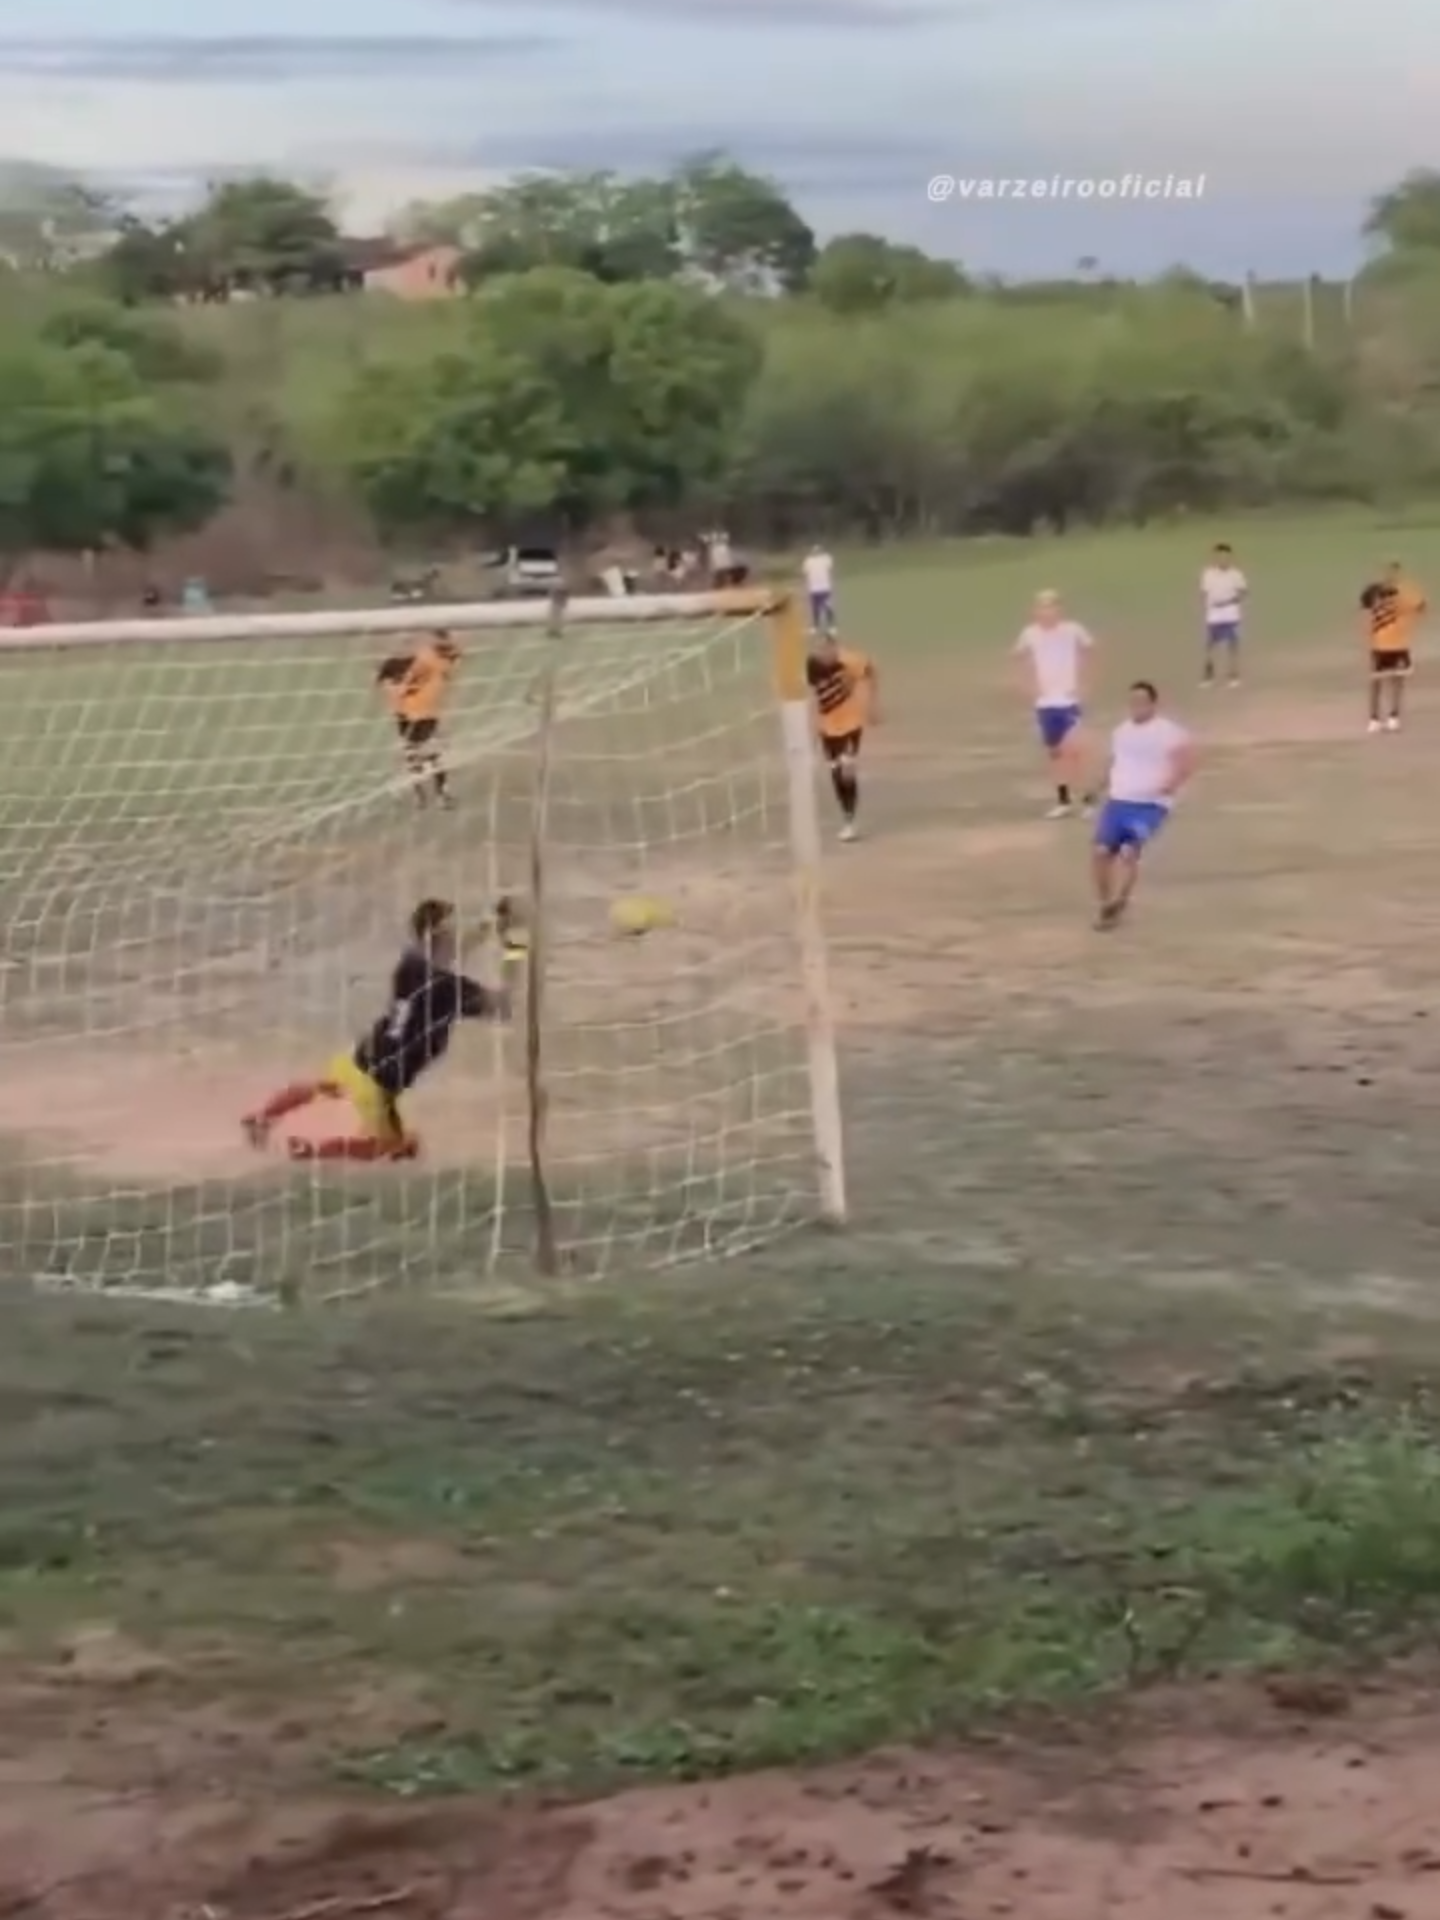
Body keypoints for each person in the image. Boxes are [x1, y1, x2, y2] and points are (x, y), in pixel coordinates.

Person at [242, 898, 524, 1162]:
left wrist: (492, 925)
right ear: (439, 938)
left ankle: (263, 1117)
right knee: (399, 1147)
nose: (458, 936)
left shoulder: (410, 963)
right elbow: (504, 1006)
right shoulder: (449, 990)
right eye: (453, 930)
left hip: (357, 1058)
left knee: (322, 1087)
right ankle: (312, 1152)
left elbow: (455, 949)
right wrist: (515, 948)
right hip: (379, 1085)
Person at [1091, 681, 1195, 930]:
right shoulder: (1121, 732)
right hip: (1118, 802)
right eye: (1132, 701)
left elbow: (1186, 761)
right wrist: (1099, 785)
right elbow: (1115, 762)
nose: (1136, 706)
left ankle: (1121, 899)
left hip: (1149, 805)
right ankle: (1106, 904)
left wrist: (1171, 784)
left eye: (1141, 701)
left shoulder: (1169, 732)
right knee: (1100, 853)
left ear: (1153, 704)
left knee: (1129, 852)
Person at [1013, 590, 1095, 818]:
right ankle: (1063, 800)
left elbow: (1089, 651)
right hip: (1045, 704)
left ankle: (1089, 801)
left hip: (1069, 700)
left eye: (1052, 606)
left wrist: (1084, 683)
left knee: (1076, 751)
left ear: (1060, 609)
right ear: (1036, 610)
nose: (1047, 611)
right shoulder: (1030, 634)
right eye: (1043, 606)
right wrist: (1029, 687)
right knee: (1055, 753)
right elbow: (1018, 658)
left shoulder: (1072, 630)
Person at [806, 631, 878, 842]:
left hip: (851, 724)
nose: (822, 654)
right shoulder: (812, 666)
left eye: (825, 649)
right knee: (836, 774)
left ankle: (851, 822)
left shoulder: (850, 660)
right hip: (828, 728)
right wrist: (813, 729)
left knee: (847, 769)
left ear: (834, 647)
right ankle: (847, 817)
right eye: (817, 650)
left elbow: (871, 672)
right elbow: (814, 697)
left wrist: (873, 706)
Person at [375, 631, 460, 806]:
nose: (404, 644)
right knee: (412, 754)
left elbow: (453, 656)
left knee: (432, 754)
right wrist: (398, 692)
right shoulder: (391, 665)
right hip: (406, 716)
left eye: (409, 641)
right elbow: (385, 685)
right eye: (401, 641)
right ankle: (420, 794)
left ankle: (442, 792)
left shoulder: (427, 660)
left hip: (427, 714)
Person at [1359, 560, 1426, 732]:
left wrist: (1403, 588)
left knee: (1397, 681)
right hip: (1379, 647)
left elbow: (1420, 606)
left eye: (1394, 572)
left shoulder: (1402, 598)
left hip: (1399, 646)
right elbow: (1365, 605)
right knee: (1376, 682)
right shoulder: (1373, 594)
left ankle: (1393, 716)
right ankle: (1374, 718)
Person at [1199, 542, 1246, 687]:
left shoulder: (1236, 574)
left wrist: (1230, 601)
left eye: (1226, 556)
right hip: (1214, 614)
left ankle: (1233, 675)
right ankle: (1208, 675)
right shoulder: (1208, 574)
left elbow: (1242, 592)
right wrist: (1210, 606)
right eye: (1220, 556)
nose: (1223, 559)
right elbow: (1204, 592)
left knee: (1233, 644)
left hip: (1231, 613)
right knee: (1210, 645)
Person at [802, 543, 836, 634]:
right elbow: (805, 573)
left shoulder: (826, 558)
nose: (816, 552)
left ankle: (831, 626)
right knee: (815, 609)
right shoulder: (808, 561)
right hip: (813, 589)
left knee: (828, 607)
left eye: (818, 550)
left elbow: (830, 570)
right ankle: (815, 626)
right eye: (815, 551)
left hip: (825, 588)